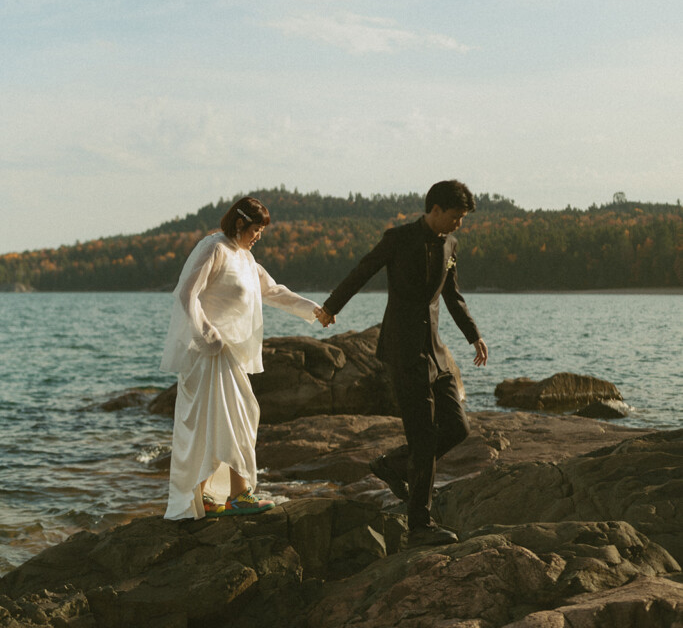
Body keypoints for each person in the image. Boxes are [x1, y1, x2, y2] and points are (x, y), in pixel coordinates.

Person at [318, 179, 488, 546]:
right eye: (456, 216)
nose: (459, 224)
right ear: (435, 209)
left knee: (457, 427)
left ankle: (392, 465)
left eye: (463, 218)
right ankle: (419, 527)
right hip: (403, 351)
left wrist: (473, 335)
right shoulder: (398, 239)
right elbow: (363, 271)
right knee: (423, 439)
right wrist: (331, 307)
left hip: (436, 353)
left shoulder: (451, 245)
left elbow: (452, 295)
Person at [160, 196, 331, 519]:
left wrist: (315, 310)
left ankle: (207, 495)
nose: (258, 237)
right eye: (255, 230)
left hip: (229, 354)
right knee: (226, 421)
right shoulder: (214, 248)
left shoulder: (246, 259)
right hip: (208, 354)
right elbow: (186, 293)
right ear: (239, 223)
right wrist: (208, 334)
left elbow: (275, 291)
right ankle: (236, 495)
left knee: (234, 420)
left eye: (261, 232)